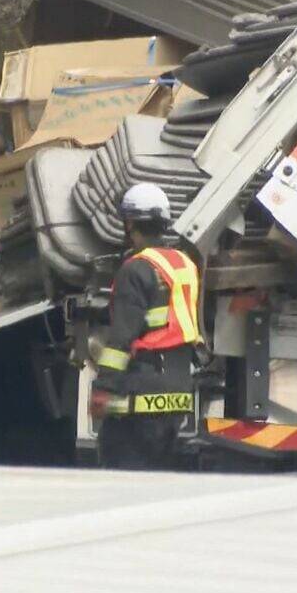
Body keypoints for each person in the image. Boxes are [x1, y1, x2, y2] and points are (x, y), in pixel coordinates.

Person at [90, 183, 202, 470]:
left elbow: (121, 339)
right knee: (158, 481)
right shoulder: (185, 264)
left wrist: (103, 388)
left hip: (142, 389)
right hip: (178, 389)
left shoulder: (135, 269)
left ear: (129, 224)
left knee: (123, 475)